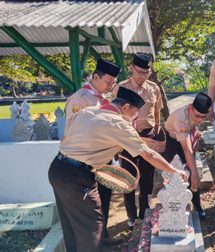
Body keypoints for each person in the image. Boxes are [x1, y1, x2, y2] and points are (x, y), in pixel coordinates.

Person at [49, 86, 186, 251]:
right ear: (125, 108)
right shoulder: (117, 123)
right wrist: (174, 170)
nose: (134, 117)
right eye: (134, 113)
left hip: (58, 168)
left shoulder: (88, 111)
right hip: (77, 176)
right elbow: (149, 155)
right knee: (92, 225)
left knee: (70, 222)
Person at [63, 58, 119, 240]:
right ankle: (93, 242)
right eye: (108, 82)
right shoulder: (80, 99)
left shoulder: (102, 98)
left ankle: (103, 236)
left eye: (113, 83)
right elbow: (74, 133)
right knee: (88, 207)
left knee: (104, 198)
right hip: (84, 162)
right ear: (95, 77)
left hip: (102, 160)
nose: (111, 86)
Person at [116, 53, 164, 228]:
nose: (143, 76)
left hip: (147, 136)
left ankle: (145, 214)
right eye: (139, 72)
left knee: (147, 179)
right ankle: (131, 216)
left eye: (146, 72)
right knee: (128, 179)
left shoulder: (154, 89)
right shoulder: (120, 88)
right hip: (127, 138)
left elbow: (157, 112)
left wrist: (156, 131)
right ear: (131, 68)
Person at [163, 93, 213, 219]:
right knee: (177, 172)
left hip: (187, 138)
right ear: (190, 108)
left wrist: (194, 171)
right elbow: (186, 149)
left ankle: (197, 204)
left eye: (203, 117)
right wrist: (195, 173)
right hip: (172, 142)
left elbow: (189, 146)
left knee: (192, 171)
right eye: (197, 116)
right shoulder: (181, 119)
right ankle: (176, 205)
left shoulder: (196, 114)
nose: (200, 120)